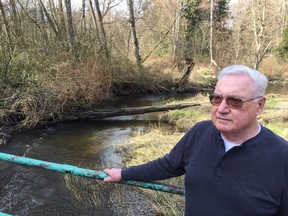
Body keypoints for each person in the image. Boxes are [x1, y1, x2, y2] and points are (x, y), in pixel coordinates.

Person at [103, 65, 288, 216]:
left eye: (235, 101)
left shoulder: (282, 157)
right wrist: (124, 174)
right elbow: (168, 165)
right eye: (217, 98)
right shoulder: (200, 132)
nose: (221, 109)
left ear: (259, 105)